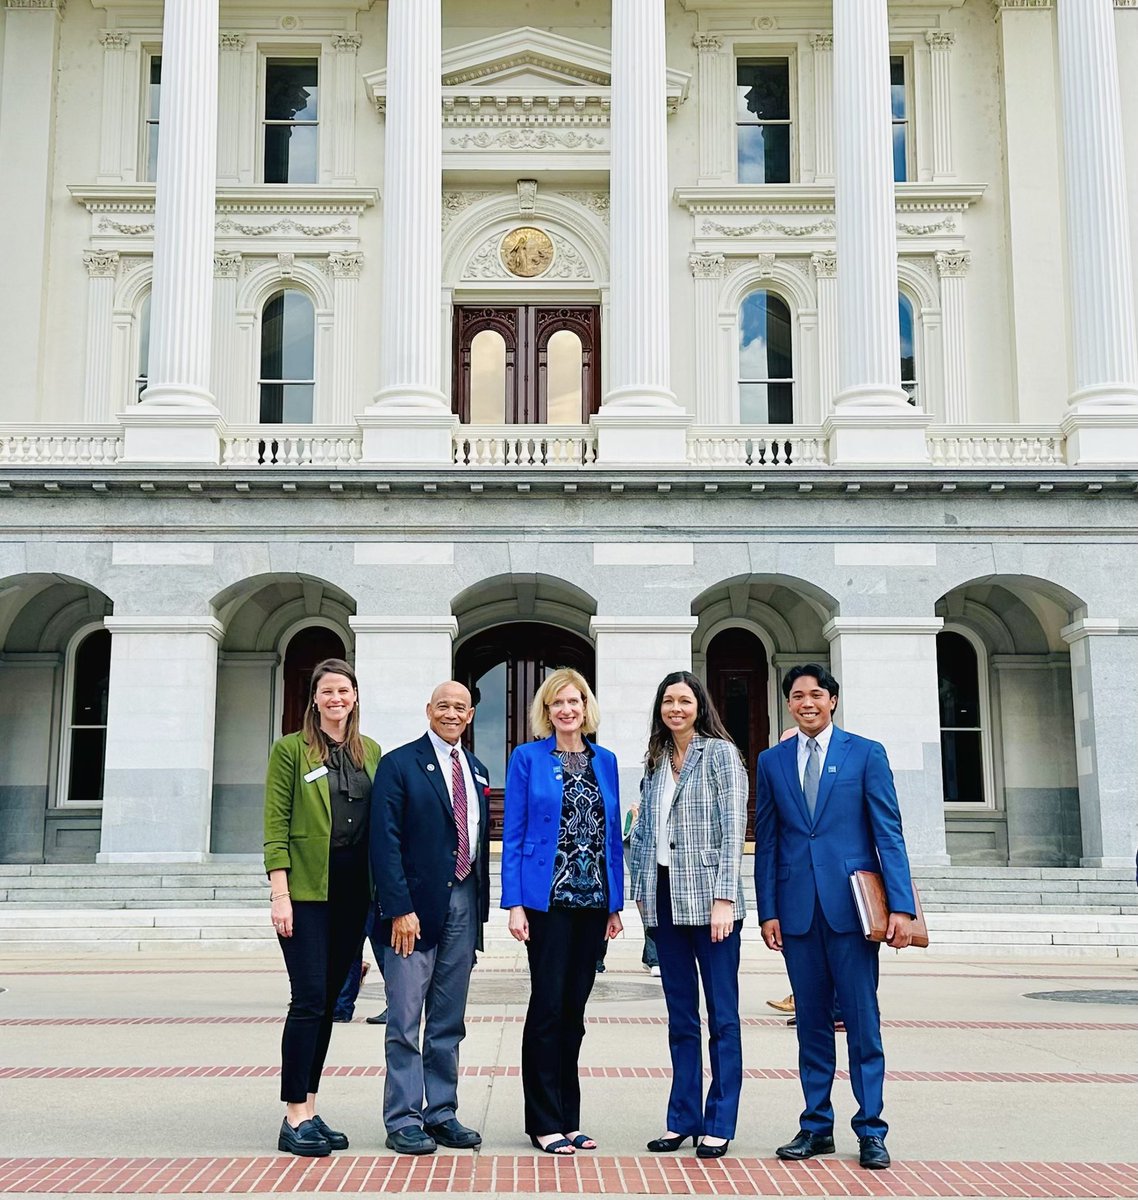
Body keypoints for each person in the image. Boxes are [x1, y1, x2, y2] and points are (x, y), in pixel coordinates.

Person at [754, 664, 917, 1171]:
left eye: (816, 694)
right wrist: (768, 910)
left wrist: (903, 907)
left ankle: (871, 1129)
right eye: (798, 696)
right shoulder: (771, 761)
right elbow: (769, 840)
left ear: (833, 700)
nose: (807, 702)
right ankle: (815, 1126)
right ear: (789, 704)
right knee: (812, 1027)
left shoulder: (865, 753)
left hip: (851, 910)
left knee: (863, 1023)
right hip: (797, 911)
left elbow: (888, 832)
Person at [502, 668, 624, 1156]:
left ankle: (570, 1119)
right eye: (557, 704)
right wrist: (513, 903)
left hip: (593, 903)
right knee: (547, 1008)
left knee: (574, 1012)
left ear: (585, 706)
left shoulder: (606, 760)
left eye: (574, 701)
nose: (567, 710)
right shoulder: (528, 758)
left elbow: (611, 836)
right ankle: (542, 1121)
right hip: (546, 902)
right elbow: (513, 831)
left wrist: (615, 904)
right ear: (546, 711)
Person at [263, 658, 381, 1157]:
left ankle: (310, 1107)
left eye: (345, 691)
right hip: (307, 893)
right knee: (308, 999)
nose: (337, 699)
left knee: (331, 1002)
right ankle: (292, 1116)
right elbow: (275, 822)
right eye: (328, 691)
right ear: (315, 698)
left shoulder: (369, 751)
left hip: (354, 894)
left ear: (355, 697)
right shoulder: (290, 750)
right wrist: (279, 892)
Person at [629, 671, 748, 1160]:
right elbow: (646, 832)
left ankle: (719, 1121)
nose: (675, 708)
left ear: (700, 705)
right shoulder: (655, 760)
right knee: (681, 1017)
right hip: (664, 900)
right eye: (668, 701)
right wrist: (637, 897)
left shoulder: (720, 754)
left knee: (722, 1016)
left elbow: (732, 826)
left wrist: (725, 898)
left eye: (684, 700)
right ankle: (683, 1118)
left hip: (711, 904)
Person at [370, 681, 491, 1156]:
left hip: (462, 904)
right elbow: (385, 842)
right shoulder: (399, 764)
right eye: (444, 705)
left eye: (460, 707)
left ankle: (441, 1112)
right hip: (412, 911)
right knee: (404, 1018)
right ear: (428, 710)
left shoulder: (476, 769)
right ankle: (402, 1118)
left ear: (470, 715)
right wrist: (399, 908)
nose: (452, 713)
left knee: (448, 1018)